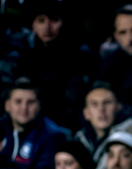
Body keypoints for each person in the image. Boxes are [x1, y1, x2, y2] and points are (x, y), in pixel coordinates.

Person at [19, 1, 99, 129]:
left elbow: (72, 101)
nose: (47, 27)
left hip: (67, 125)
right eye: (41, 21)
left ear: (64, 22)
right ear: (33, 25)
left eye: (54, 20)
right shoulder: (26, 57)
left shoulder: (80, 56)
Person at [0, 77, 70, 169]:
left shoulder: (52, 136)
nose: (24, 107)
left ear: (39, 105)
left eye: (31, 102)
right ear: (7, 105)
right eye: (18, 102)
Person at [74, 82, 126, 163]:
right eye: (94, 104)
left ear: (118, 107)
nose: (101, 109)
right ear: (86, 113)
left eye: (107, 103)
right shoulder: (77, 140)